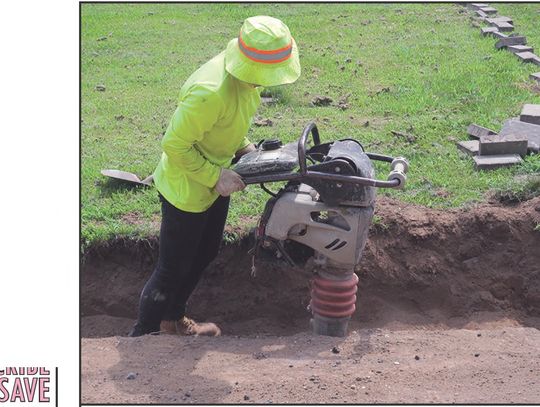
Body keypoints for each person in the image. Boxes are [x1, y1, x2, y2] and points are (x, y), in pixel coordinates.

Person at [128, 15, 301, 337]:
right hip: (187, 187)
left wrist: (247, 150)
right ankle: (144, 337)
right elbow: (175, 145)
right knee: (172, 267)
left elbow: (227, 124)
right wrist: (214, 176)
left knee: (205, 252)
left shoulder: (244, 79)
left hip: (213, 180)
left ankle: (173, 320)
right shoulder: (209, 92)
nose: (266, 80)